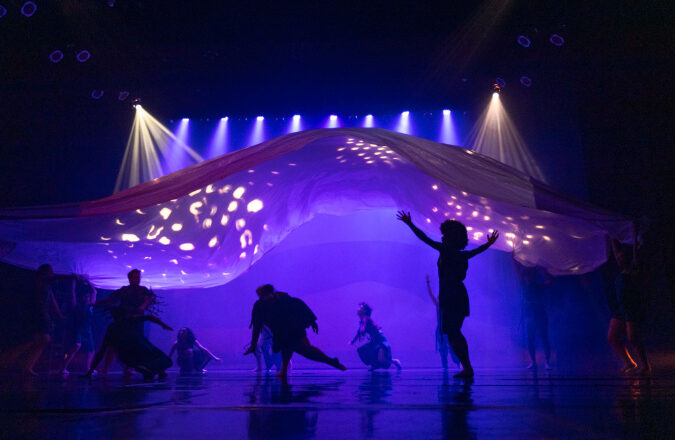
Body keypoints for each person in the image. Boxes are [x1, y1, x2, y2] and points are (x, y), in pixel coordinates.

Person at [397, 211, 499, 378]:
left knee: (453, 331)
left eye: (445, 235)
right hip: (454, 294)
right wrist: (488, 244)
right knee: (453, 331)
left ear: (450, 238)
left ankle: (467, 367)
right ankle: (467, 367)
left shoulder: (446, 250)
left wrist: (410, 224)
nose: (442, 238)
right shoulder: (461, 254)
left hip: (452, 295)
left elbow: (424, 238)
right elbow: (478, 250)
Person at [244, 284, 346, 378]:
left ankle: (331, 361)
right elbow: (256, 326)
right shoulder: (259, 306)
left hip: (294, 329)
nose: (262, 298)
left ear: (271, 294)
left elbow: (300, 306)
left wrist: (312, 321)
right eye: (260, 296)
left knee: (306, 351)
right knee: (286, 348)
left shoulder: (284, 300)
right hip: (281, 332)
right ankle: (283, 371)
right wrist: (253, 345)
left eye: (264, 295)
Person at [2, 264, 64, 376]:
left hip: (41, 316)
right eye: (50, 272)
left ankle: (25, 366)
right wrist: (46, 315)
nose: (52, 274)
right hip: (36, 316)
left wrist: (59, 314)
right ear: (44, 273)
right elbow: (38, 303)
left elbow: (52, 300)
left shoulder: (47, 286)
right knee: (39, 339)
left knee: (39, 341)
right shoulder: (38, 284)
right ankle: (10, 361)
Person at [94, 268, 156, 375]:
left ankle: (128, 368)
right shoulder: (124, 290)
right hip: (123, 321)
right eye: (135, 277)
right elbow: (111, 299)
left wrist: (142, 307)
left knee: (133, 344)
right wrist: (96, 303)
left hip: (136, 322)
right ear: (130, 278)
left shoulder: (143, 290)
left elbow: (148, 300)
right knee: (113, 343)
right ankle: (106, 368)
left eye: (139, 277)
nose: (138, 279)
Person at [606, 231, 651, 375]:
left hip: (632, 308)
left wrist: (636, 242)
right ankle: (629, 362)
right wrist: (611, 235)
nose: (618, 258)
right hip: (620, 308)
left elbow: (635, 253)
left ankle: (645, 365)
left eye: (621, 256)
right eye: (618, 257)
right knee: (612, 337)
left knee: (633, 339)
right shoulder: (620, 271)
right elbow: (615, 251)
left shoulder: (634, 270)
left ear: (627, 258)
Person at [84, 308, 173, 381]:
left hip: (126, 358)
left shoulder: (111, 328)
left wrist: (90, 372)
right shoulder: (129, 320)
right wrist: (163, 325)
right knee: (166, 360)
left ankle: (148, 370)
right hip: (140, 350)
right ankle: (148, 368)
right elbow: (149, 317)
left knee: (150, 364)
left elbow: (101, 352)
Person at [512, 256, 553, 369]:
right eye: (527, 276)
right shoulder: (524, 285)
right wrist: (513, 257)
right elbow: (517, 271)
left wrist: (542, 269)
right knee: (530, 339)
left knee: (544, 337)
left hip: (540, 314)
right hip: (530, 316)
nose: (528, 278)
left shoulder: (538, 286)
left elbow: (550, 281)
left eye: (529, 276)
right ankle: (534, 362)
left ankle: (547, 362)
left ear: (533, 277)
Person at [350, 302, 401, 371]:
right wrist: (353, 340)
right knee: (364, 351)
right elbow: (359, 332)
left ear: (364, 311)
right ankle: (378, 364)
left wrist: (363, 331)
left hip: (379, 339)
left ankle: (394, 361)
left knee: (381, 359)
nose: (358, 309)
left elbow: (363, 328)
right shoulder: (362, 320)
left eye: (360, 308)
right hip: (374, 340)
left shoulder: (365, 318)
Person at [62, 275, 97, 375]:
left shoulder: (90, 305)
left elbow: (94, 292)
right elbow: (72, 293)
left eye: (88, 297)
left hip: (87, 330)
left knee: (91, 350)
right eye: (85, 296)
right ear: (81, 297)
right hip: (77, 329)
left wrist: (89, 282)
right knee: (76, 346)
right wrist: (73, 282)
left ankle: (88, 368)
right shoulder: (76, 305)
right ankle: (63, 368)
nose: (87, 298)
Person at [425, 275, 460, 370]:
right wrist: (428, 283)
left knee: (451, 347)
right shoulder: (438, 305)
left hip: (447, 328)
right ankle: (446, 366)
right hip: (441, 328)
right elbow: (431, 295)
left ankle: (457, 363)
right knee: (443, 349)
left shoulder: (449, 305)